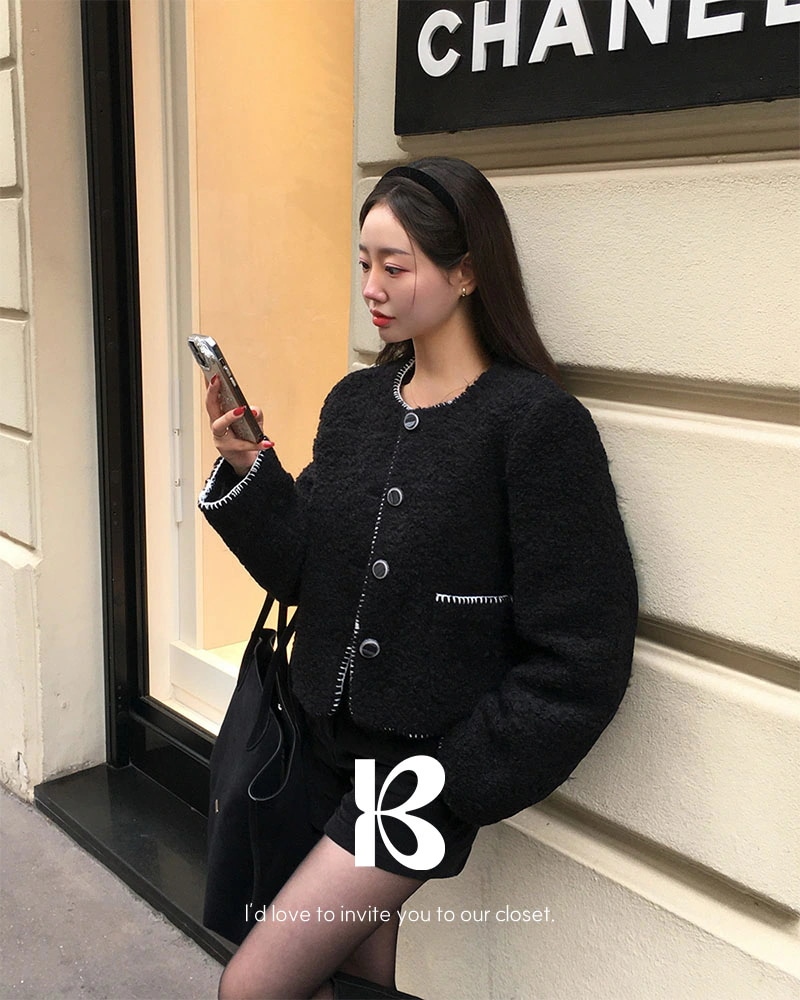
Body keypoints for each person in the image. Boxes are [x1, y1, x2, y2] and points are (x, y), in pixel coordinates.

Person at [198, 156, 638, 1000]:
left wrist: (456, 779)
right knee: (357, 981)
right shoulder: (357, 404)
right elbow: (304, 571)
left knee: (252, 987)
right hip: (321, 749)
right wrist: (252, 471)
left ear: (466, 272)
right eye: (364, 262)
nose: (372, 286)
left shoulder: (535, 425)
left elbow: (584, 653)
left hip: (420, 778)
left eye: (395, 267)